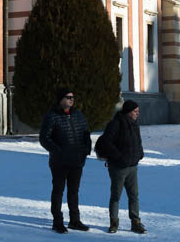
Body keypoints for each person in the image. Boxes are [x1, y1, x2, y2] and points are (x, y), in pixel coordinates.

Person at [39, 87, 92, 233]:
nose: (71, 99)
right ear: (60, 99)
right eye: (68, 97)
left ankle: (75, 220)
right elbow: (44, 138)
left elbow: (86, 133)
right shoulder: (51, 116)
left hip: (77, 160)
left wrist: (86, 150)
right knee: (58, 191)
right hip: (59, 162)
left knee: (74, 191)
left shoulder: (78, 115)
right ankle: (57, 222)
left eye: (72, 97)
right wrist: (58, 151)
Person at [99, 100, 146, 234]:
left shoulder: (134, 124)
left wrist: (140, 154)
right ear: (128, 112)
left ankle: (135, 222)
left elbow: (138, 141)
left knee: (134, 195)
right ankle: (114, 222)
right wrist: (119, 157)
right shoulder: (115, 124)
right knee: (116, 196)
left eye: (138, 111)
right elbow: (106, 143)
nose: (137, 114)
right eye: (135, 111)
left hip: (132, 166)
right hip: (118, 168)